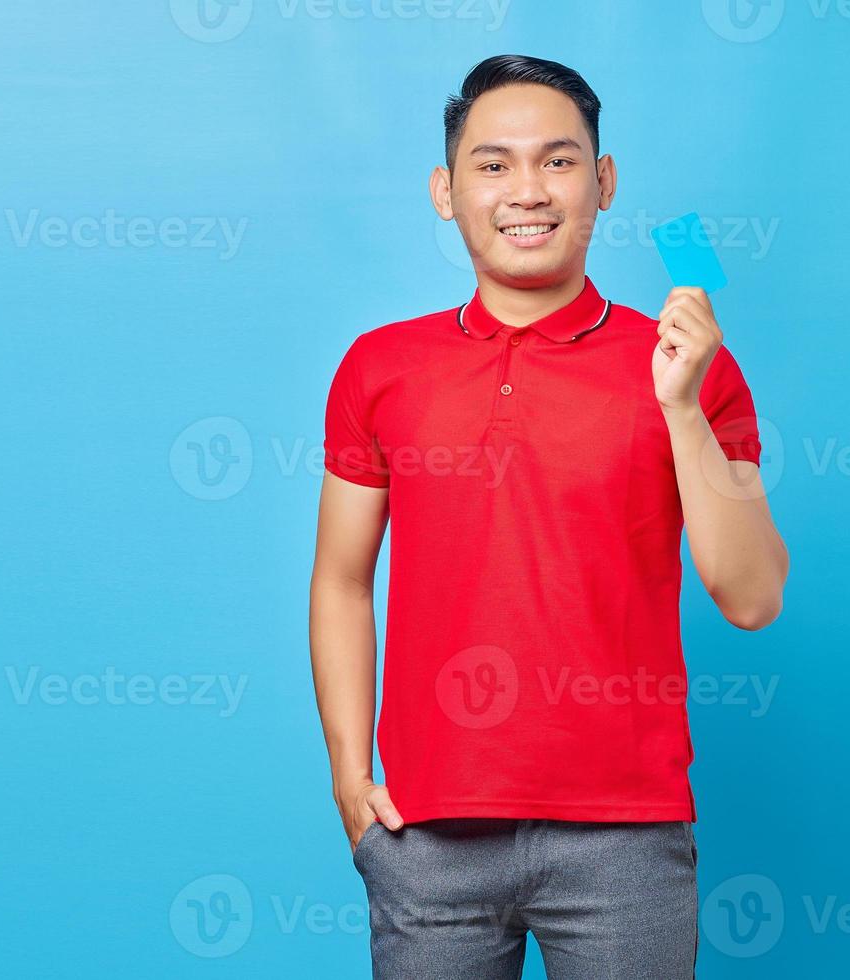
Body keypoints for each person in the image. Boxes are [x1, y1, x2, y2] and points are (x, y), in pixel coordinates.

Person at [309, 53, 789, 980]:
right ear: (446, 193)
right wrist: (348, 773)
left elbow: (753, 594)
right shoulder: (379, 366)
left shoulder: (685, 363)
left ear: (603, 184)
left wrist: (683, 406)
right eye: (494, 164)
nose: (527, 189)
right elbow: (341, 577)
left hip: (626, 839)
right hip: (427, 836)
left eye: (558, 161)